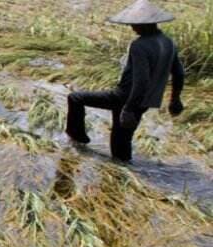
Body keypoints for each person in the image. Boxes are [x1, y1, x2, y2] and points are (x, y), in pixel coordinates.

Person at [66, 0, 185, 163]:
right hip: (146, 100)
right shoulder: (168, 42)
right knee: (122, 139)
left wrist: (129, 108)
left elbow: (141, 80)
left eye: (135, 24)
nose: (132, 27)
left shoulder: (139, 45)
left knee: (75, 98)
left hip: (126, 97)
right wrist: (175, 99)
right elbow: (179, 72)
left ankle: (78, 140)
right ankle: (122, 170)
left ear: (146, 24)